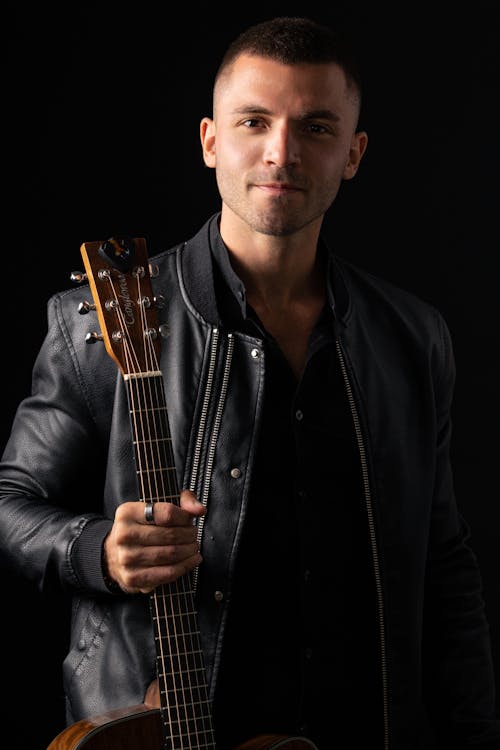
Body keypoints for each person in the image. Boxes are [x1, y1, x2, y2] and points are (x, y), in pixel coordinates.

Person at [0, 15, 499, 750]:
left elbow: (443, 562)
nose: (282, 153)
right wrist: (98, 549)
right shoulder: (95, 321)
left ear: (354, 154)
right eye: (254, 122)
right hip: (167, 732)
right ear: (210, 141)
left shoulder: (413, 338)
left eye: (317, 128)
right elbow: (12, 509)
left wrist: (475, 733)